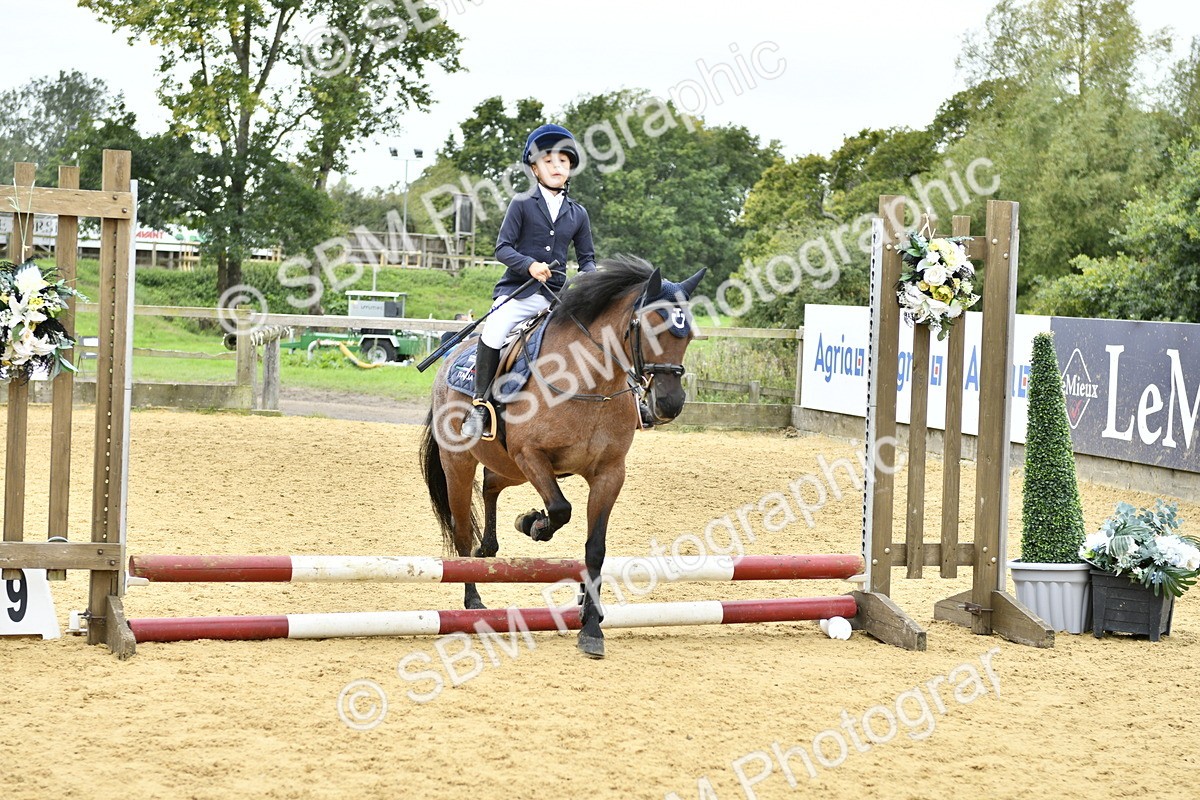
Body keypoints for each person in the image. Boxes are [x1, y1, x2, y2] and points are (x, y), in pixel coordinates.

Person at [462, 124, 597, 439]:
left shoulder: (579, 213)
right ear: (535, 169)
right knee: (495, 330)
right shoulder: (522, 203)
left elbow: (587, 258)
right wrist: (530, 265)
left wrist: (591, 278)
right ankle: (480, 406)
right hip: (518, 293)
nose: (556, 167)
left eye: (563, 162)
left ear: (570, 169)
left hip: (557, 298)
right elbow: (502, 248)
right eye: (548, 162)